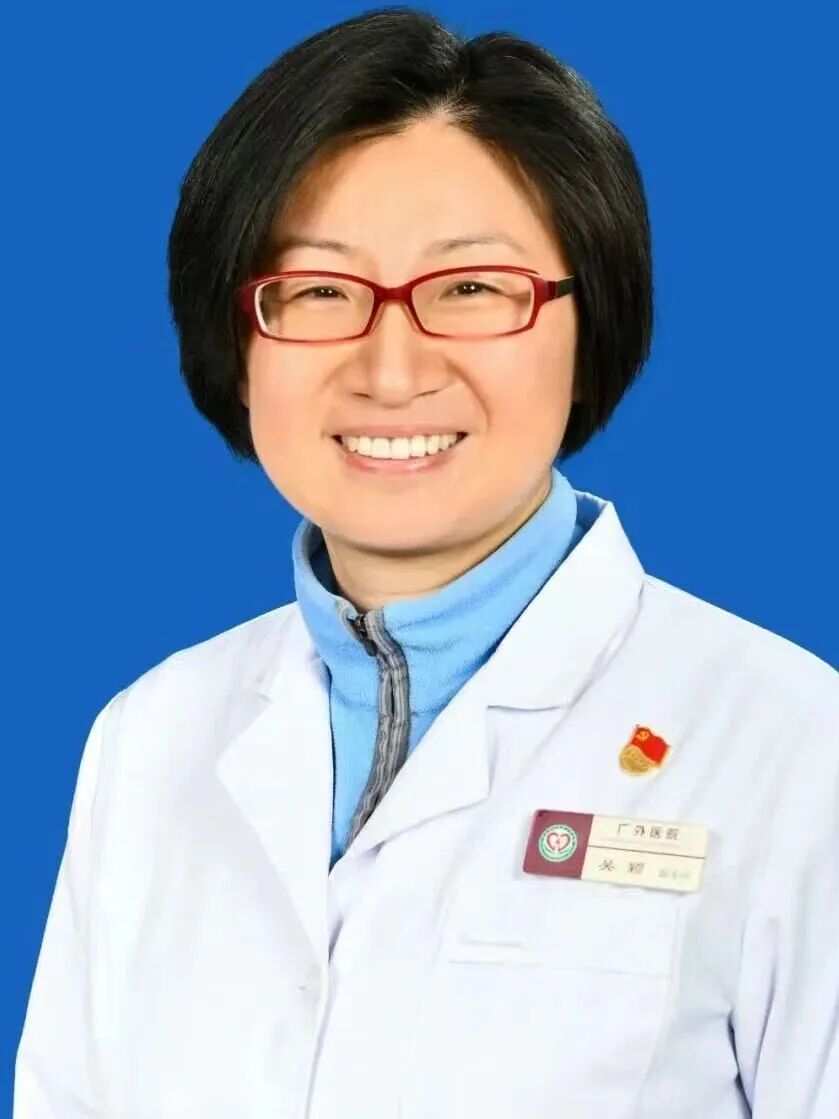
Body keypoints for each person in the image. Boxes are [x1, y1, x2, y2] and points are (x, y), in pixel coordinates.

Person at [14, 6, 838, 1117]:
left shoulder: (792, 746)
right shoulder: (150, 738)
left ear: (589, 323)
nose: (391, 371)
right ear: (236, 345)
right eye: (318, 291)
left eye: (470, 289)